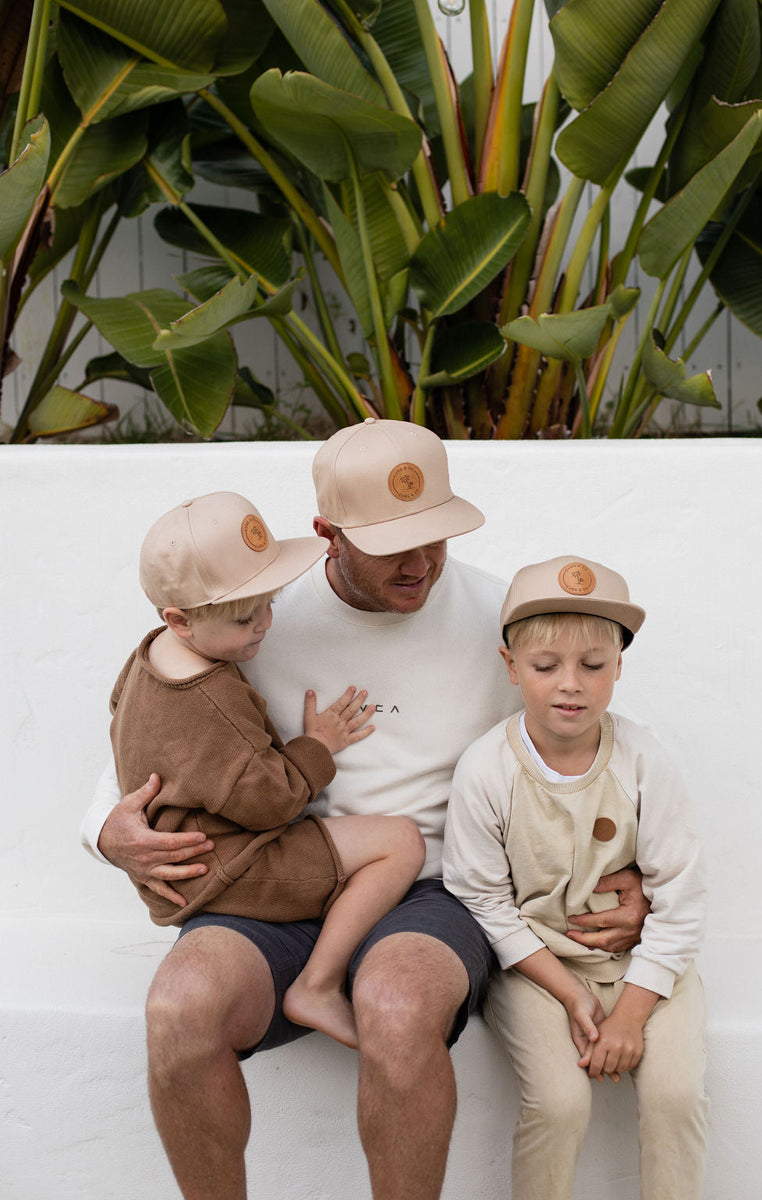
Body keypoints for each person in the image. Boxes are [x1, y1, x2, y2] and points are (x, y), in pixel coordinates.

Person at [82, 420, 650, 1200]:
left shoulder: (505, 618)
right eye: (392, 545)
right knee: (181, 1008)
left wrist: (632, 875)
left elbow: (590, 749)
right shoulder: (253, 618)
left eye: (435, 537)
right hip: (279, 879)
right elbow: (156, 740)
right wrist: (109, 830)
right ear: (327, 534)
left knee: (396, 1000)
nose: (421, 563)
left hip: (437, 890)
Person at [110, 490, 424, 1048]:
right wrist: (317, 746)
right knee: (400, 842)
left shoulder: (148, 657)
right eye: (243, 619)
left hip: (196, 860)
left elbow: (122, 722)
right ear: (179, 620)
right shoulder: (213, 700)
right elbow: (270, 802)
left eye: (268, 605)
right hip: (232, 867)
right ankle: (319, 984)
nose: (263, 626)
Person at [443, 555, 708, 1199]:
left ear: (619, 666)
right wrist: (570, 993)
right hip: (538, 970)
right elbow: (480, 895)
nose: (572, 685)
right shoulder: (486, 769)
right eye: (545, 666)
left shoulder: (643, 758)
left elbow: (681, 897)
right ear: (511, 667)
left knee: (675, 1098)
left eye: (594, 666)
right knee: (560, 1106)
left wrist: (630, 1014)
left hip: (647, 964)